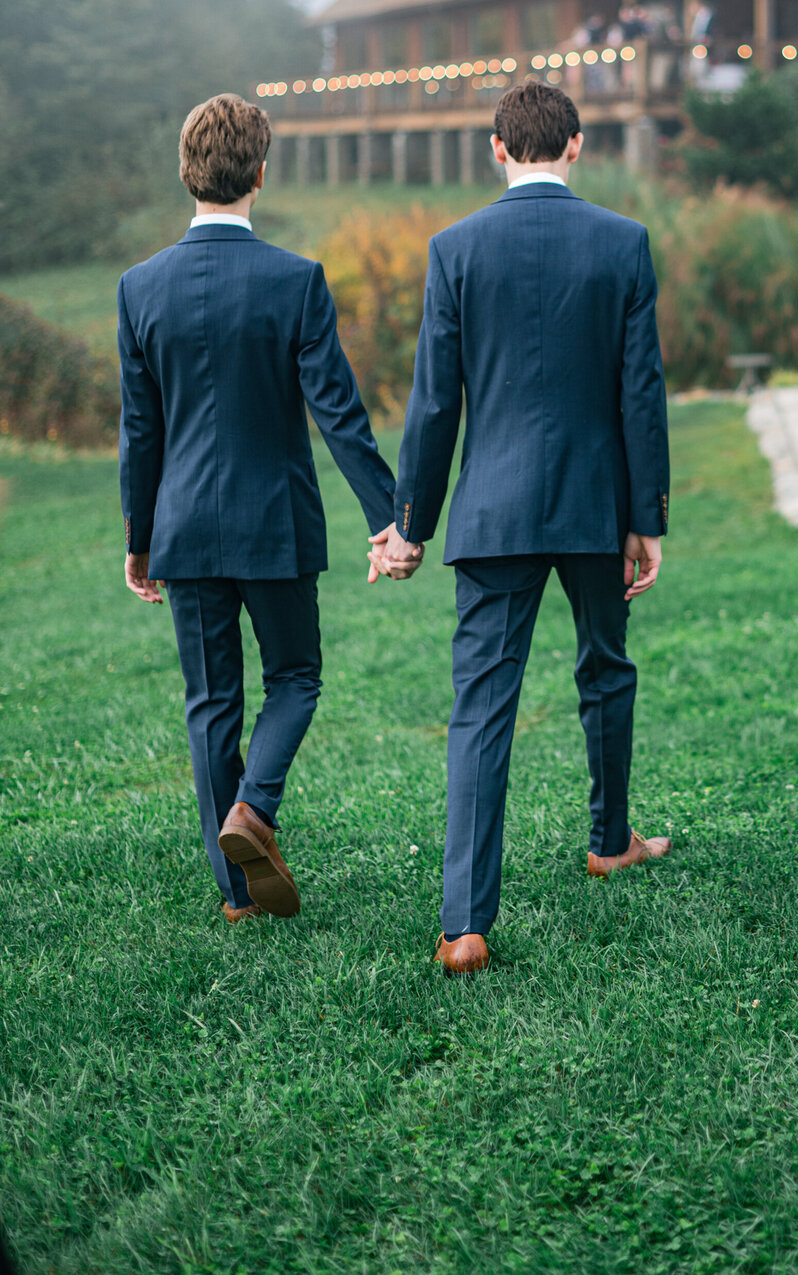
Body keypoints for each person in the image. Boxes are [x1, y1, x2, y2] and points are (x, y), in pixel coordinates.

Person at [371, 80, 671, 974]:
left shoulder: (454, 248)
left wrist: (409, 524)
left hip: (493, 511)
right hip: (592, 504)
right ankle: (610, 837)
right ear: (577, 145)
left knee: (481, 708)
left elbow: (433, 405)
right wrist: (645, 516)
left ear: (497, 149)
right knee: (605, 667)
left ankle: (464, 924)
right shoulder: (624, 242)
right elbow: (640, 393)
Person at [118, 94, 401, 923]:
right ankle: (256, 808)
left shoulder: (141, 288)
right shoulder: (295, 280)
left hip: (183, 530)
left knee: (212, 703)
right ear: (262, 174)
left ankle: (237, 893)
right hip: (274, 523)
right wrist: (387, 516)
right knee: (297, 678)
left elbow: (143, 432)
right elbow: (339, 413)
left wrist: (140, 537)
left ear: (185, 173)